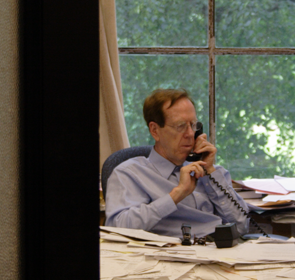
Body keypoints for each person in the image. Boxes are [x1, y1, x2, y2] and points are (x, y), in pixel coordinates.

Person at [104, 88, 251, 239]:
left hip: (219, 251)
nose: (189, 134)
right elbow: (118, 229)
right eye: (180, 126)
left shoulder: (211, 172)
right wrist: (177, 194)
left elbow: (241, 226)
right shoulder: (129, 173)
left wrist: (210, 172)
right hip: (169, 256)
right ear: (155, 130)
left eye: (193, 125)